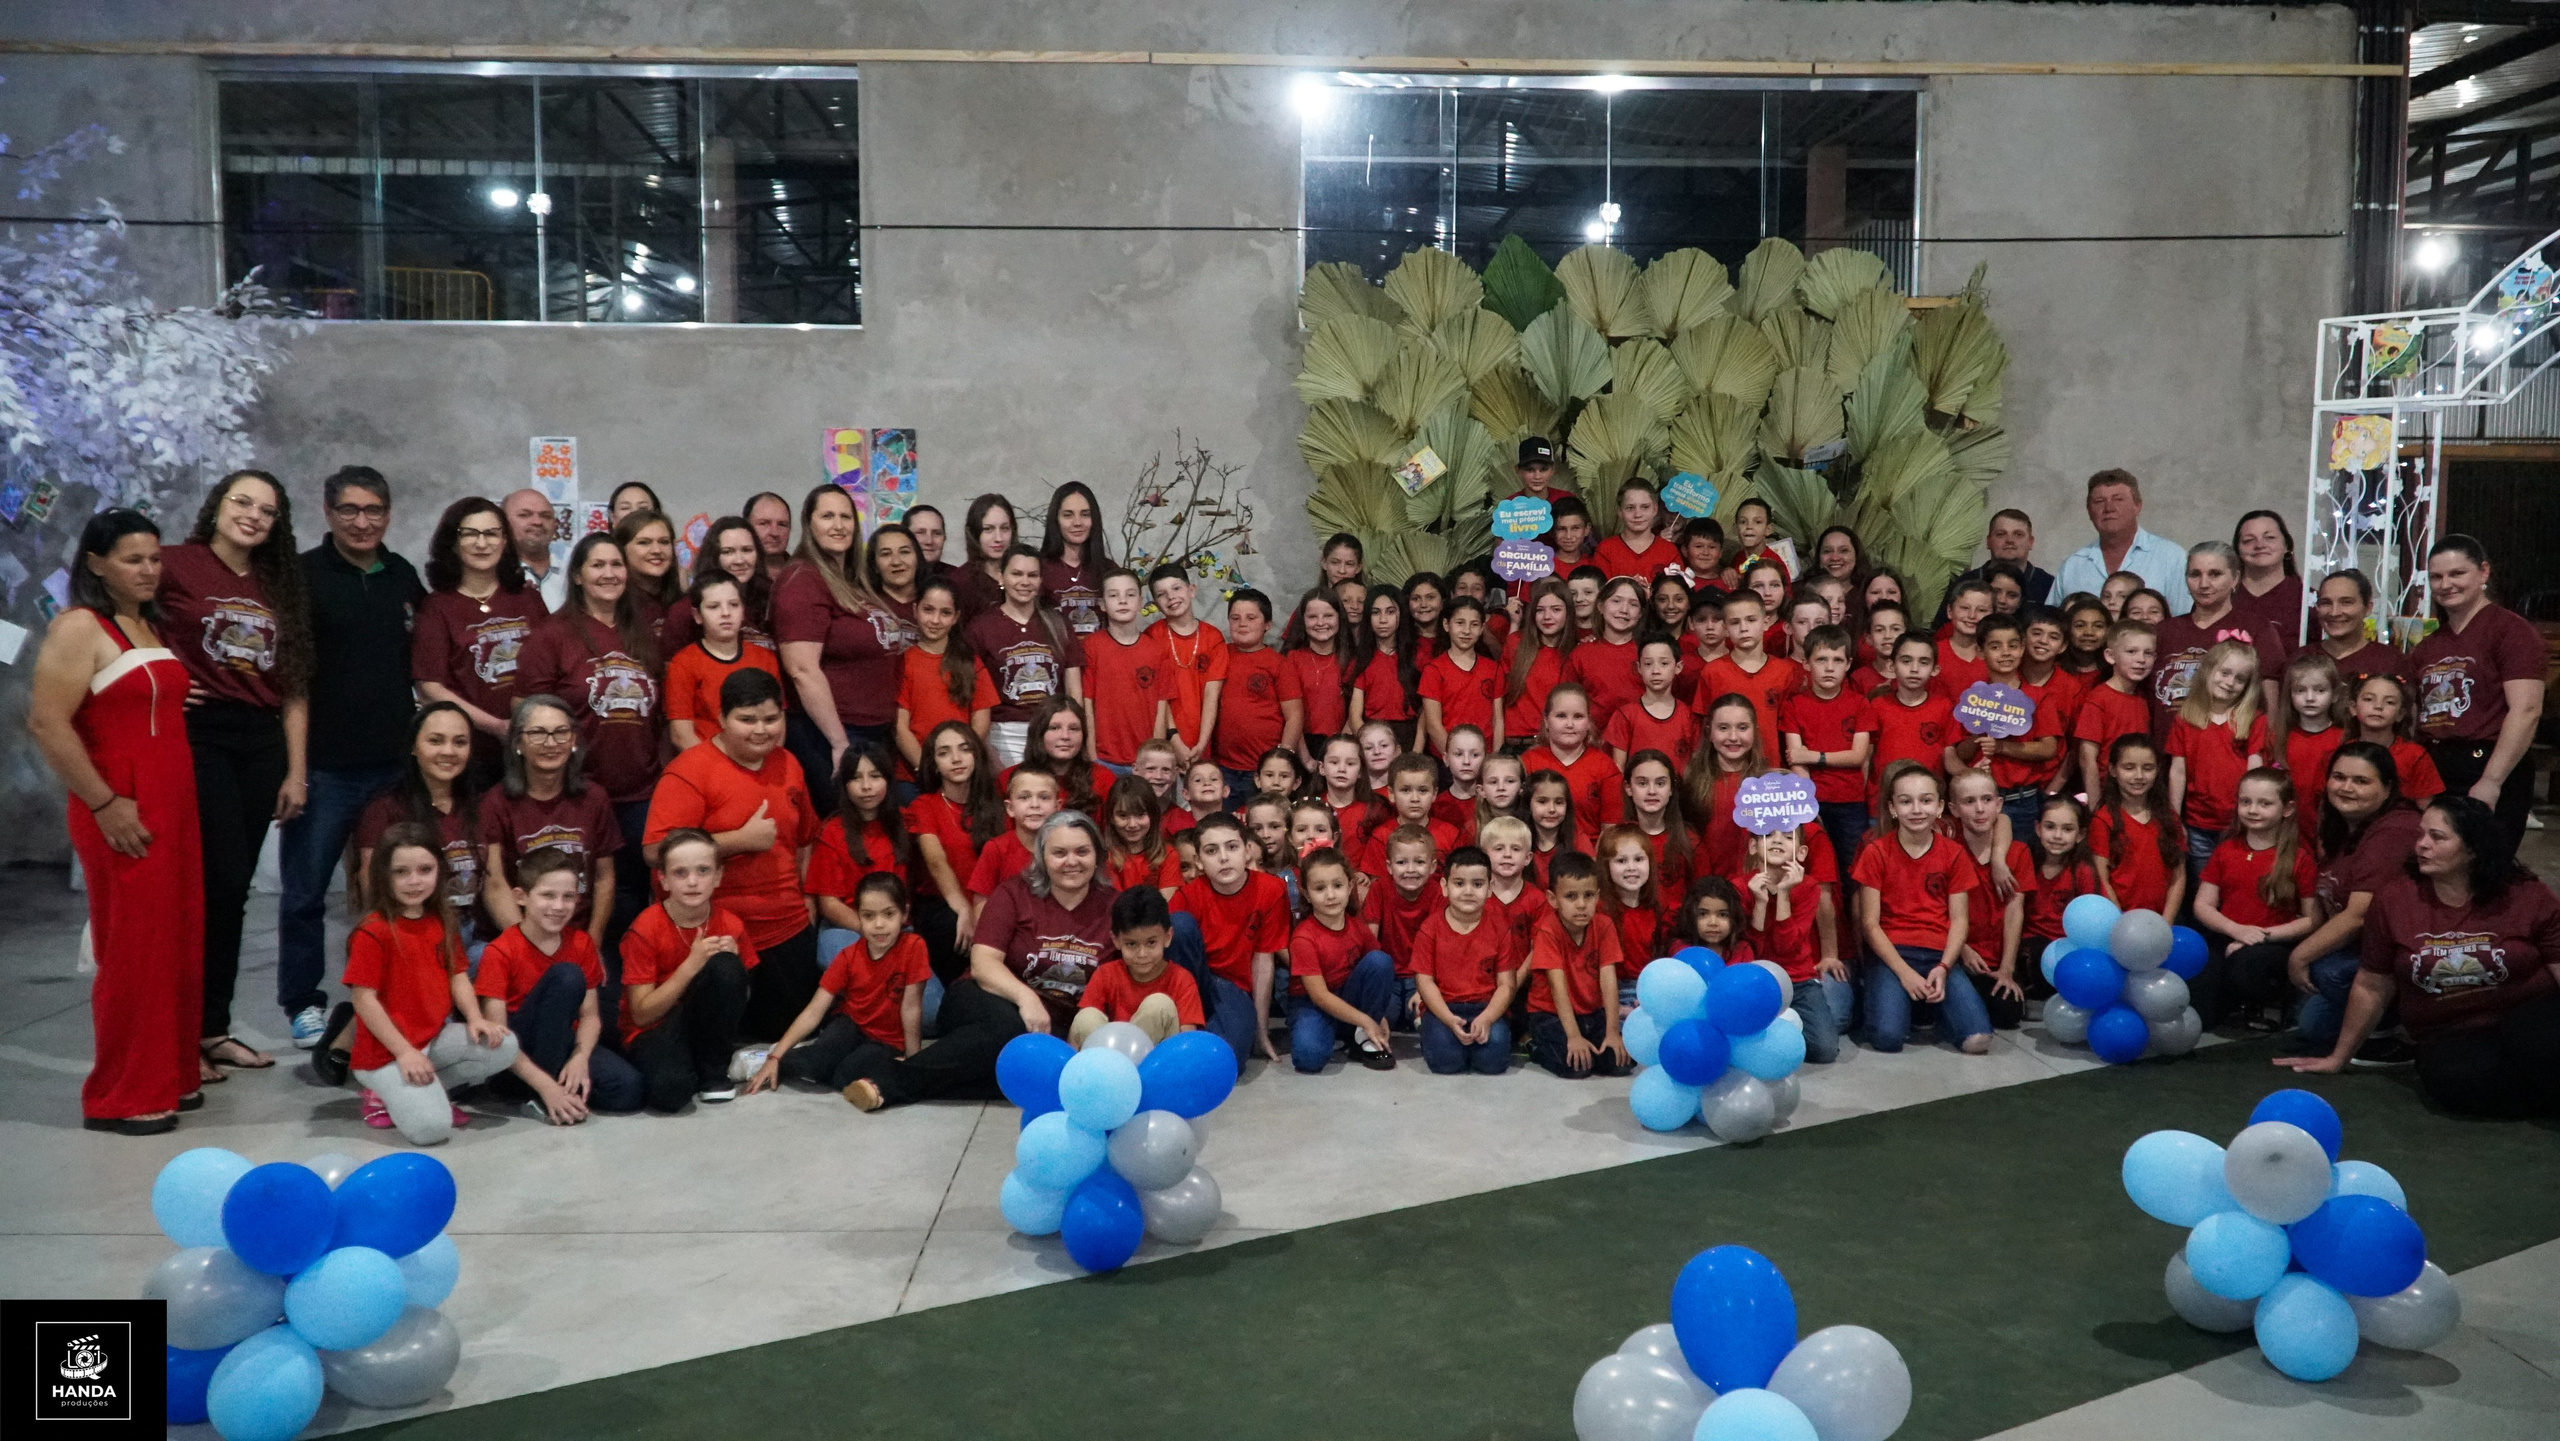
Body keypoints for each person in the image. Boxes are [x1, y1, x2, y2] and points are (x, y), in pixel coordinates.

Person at [28, 509, 204, 1134]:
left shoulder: (143, 625)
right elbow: (48, 723)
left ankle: (173, 1073)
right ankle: (122, 1094)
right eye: (134, 559)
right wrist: (104, 803)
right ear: (97, 563)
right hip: (123, 804)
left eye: (155, 558)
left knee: (176, 944)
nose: (149, 570)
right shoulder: (80, 625)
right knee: (134, 951)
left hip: (172, 802)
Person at [158, 470, 312, 1081]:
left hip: (261, 738)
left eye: (266, 511)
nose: (252, 516)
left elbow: (295, 684)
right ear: (217, 505)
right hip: (199, 735)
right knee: (207, 883)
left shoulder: (281, 582)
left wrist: (296, 770)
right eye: (242, 502)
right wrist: (162, 673)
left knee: (233, 888)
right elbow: (110, 620)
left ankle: (212, 1029)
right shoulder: (175, 564)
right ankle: (179, 1033)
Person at [273, 465, 427, 1051]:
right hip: (325, 767)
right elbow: (293, 681)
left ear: (388, 514)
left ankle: (390, 992)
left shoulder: (402, 575)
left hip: (392, 767)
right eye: (351, 511)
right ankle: (303, 1003)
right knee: (306, 891)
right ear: (329, 512)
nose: (363, 522)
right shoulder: (306, 577)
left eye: (374, 511)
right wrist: (295, 770)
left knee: (392, 888)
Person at [2277, 795, 2560, 1112]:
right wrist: (2338, 1057)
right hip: (2452, 1033)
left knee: (2539, 1042)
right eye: (2421, 834)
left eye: (2437, 837)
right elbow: (2372, 984)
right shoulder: (2396, 899)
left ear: (2473, 848)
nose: (2421, 845)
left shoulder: (2526, 894)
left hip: (2528, 1015)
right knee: (2455, 1081)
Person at [847, 810, 1118, 1111]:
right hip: (984, 997)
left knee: (1035, 1074)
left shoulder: (1114, 906)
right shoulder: (1014, 893)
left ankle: (934, 1081)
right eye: (1059, 852)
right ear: (1042, 856)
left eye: (1082, 851)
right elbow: (983, 962)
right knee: (1010, 1028)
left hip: (1056, 1023)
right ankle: (890, 1081)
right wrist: (1026, 998)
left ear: (1097, 856)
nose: (1071, 861)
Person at [642, 668, 822, 1042]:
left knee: (786, 1036)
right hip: (712, 931)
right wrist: (738, 840)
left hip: (786, 925)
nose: (761, 730)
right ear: (721, 719)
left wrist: (807, 902)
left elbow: (806, 839)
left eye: (771, 719)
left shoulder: (788, 763)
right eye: (747, 719)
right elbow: (654, 850)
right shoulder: (689, 771)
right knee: (711, 1037)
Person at [516, 533, 663, 959]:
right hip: (577, 791)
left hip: (641, 792)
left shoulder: (641, 634)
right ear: (577, 575)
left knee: (636, 900)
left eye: (616, 565)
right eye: (597, 565)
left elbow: (659, 717)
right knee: (586, 901)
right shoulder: (552, 636)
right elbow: (525, 712)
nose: (609, 574)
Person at [344, 824, 518, 1143]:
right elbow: (364, 1000)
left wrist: (477, 1018)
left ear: (440, 870)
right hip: (386, 1052)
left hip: (431, 1040)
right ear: (384, 875)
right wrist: (404, 1053)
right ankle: (379, 1092)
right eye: (401, 872)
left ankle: (428, 1091)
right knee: (432, 1130)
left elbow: (457, 975)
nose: (414, 881)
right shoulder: (373, 932)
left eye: (425, 870)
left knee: (503, 1044)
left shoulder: (440, 919)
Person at [471, 848, 645, 1122]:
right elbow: (499, 1037)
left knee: (628, 1090)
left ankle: (562, 1092)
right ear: (521, 897)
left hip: (563, 1041)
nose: (558, 906)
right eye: (547, 895)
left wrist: (580, 1057)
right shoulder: (500, 951)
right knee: (566, 975)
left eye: (568, 897)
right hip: (515, 1056)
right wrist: (546, 1086)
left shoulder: (580, 943)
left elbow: (590, 1016)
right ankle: (540, 1092)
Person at [2408, 534, 2546, 858]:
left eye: (2457, 574)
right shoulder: (2428, 646)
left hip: (2487, 764)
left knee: (2482, 869)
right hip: (2436, 767)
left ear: (2483, 572)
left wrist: (2492, 781)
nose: (2446, 584)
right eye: (2437, 577)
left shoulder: (2511, 631)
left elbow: (2526, 710)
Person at [2283, 742, 2421, 1055]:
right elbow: (2326, 905)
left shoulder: (2395, 830)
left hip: (2400, 953)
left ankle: (2397, 1026)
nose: (2346, 788)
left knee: (2325, 970)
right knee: (2311, 1025)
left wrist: (2300, 956)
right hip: (2362, 949)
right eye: (2339, 777)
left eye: (2361, 781)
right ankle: (2370, 1023)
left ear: (2387, 790)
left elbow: (2359, 914)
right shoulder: (2341, 827)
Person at [774, 485, 907, 801]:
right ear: (810, 524)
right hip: (830, 734)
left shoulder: (848, 579)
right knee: (843, 832)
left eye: (846, 516)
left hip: (872, 731)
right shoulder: (802, 581)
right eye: (828, 516)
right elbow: (802, 670)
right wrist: (839, 743)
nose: (838, 525)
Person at [746, 873, 930, 1101]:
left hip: (886, 1041)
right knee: (816, 1062)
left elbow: (911, 1007)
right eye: (869, 916)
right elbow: (814, 1011)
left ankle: (823, 1061)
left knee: (844, 1076)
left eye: (889, 914)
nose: (879, 924)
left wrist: (912, 1061)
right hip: (851, 1025)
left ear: (905, 913)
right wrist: (775, 1058)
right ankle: (767, 1057)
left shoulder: (914, 947)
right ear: (859, 918)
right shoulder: (848, 956)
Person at [1852, 763, 1990, 1055]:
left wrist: (1944, 967)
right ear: (1892, 808)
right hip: (1893, 954)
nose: (1917, 809)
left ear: (1940, 807)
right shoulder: (1875, 852)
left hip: (1940, 954)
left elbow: (1959, 920)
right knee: (1888, 1040)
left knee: (1977, 1041)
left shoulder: (1953, 854)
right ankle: (1894, 999)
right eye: (1906, 801)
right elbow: (1870, 924)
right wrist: (1904, 973)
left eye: (1926, 800)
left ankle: (1935, 1008)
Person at [414, 497, 548, 786]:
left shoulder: (528, 598)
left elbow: (550, 665)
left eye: (491, 533)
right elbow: (429, 686)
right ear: (453, 542)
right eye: (470, 534)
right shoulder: (437, 607)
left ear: (504, 541)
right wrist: (497, 727)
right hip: (467, 754)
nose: (482, 543)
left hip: (532, 749)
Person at [617, 829, 754, 1111]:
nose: (693, 882)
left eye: (703, 871)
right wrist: (691, 965)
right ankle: (690, 1064)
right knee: (671, 1092)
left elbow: (745, 999)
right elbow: (641, 1015)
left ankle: (713, 1071)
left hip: (701, 1024)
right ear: (663, 880)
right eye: (680, 873)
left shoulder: (731, 924)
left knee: (726, 965)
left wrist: (735, 970)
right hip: (652, 1029)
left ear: (718, 877)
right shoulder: (645, 929)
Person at [476, 696, 618, 945]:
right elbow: (495, 884)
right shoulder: (495, 802)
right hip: (519, 936)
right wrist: (530, 945)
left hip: (578, 937)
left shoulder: (595, 798)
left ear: (573, 740)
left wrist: (592, 943)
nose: (551, 743)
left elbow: (603, 878)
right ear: (518, 742)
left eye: (561, 732)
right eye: (538, 733)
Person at [2194, 768, 2323, 1031]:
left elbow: (2312, 919)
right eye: (2246, 802)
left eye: (2265, 803)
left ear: (2286, 809)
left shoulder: (2299, 858)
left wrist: (2259, 936)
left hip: (2273, 942)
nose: (2253, 810)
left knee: (2246, 967)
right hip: (2228, 935)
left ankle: (2275, 1002)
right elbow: (2202, 904)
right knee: (2201, 1008)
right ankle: (2234, 1004)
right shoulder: (2226, 850)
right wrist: (2236, 931)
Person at [351, 704, 485, 951]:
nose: (448, 751)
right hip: (415, 935)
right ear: (414, 747)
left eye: (460, 742)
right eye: (435, 741)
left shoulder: (483, 805)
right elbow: (371, 882)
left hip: (476, 935)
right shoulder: (385, 809)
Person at [1172, 813, 1288, 1064]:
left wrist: (1261, 1031)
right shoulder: (1186, 896)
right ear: (1199, 861)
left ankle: (1205, 1038)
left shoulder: (1272, 890)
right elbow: (1170, 963)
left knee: (1230, 1058)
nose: (1223, 858)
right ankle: (1181, 1030)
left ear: (1247, 852)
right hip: (1190, 980)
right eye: (1211, 851)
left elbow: (1263, 960)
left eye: (1232, 847)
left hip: (1232, 987)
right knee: (1179, 925)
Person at [906, 720, 1003, 983]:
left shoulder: (996, 802)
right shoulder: (924, 805)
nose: (956, 759)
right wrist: (961, 905)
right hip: (943, 905)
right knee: (951, 926)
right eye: (944, 752)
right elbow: (935, 860)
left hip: (990, 903)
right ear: (934, 764)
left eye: (964, 749)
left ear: (976, 755)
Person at [972, 545, 1084, 770]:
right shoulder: (980, 627)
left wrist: (1074, 734)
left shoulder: (1059, 624)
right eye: (1017, 574)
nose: (1025, 581)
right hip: (1003, 735)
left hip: (1053, 732)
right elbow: (975, 698)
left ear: (1041, 580)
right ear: (1002, 577)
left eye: (1032, 575)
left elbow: (1074, 692)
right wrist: (984, 748)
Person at [2165, 640, 2269, 880]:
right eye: (2225, 673)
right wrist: (2174, 817)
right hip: (2198, 824)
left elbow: (2256, 770)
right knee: (2200, 886)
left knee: (2235, 884)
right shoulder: (2186, 719)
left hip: (2239, 823)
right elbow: (2177, 772)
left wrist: (2250, 814)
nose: (2230, 682)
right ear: (2208, 670)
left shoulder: (2254, 720)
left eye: (2240, 678)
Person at [1287, 847, 1398, 1071]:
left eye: (1337, 886)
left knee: (1380, 961)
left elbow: (1376, 972)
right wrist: (1367, 1020)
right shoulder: (1303, 937)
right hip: (1313, 1005)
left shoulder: (1357, 925)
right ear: (1307, 894)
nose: (1330, 895)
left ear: (1349, 887)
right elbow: (1319, 997)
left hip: (1348, 996)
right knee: (1308, 1057)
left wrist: (1378, 1015)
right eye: (1320, 888)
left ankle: (1361, 1038)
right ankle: (1354, 1028)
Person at [2150, 541, 2286, 721]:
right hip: (2165, 745)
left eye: (2215, 574)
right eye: (2195, 574)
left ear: (2235, 578)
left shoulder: (2257, 627)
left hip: (2230, 744)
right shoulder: (2165, 630)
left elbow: (2271, 703)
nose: (2204, 584)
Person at [1411, 846, 1516, 1074]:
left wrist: (1487, 1018)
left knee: (1493, 1063)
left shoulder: (1500, 927)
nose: (1468, 891)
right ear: (1444, 886)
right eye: (1459, 884)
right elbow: (1425, 982)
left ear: (1490, 888)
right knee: (1446, 1063)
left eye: (1478, 884)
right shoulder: (1430, 929)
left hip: (1486, 1008)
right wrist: (1449, 1019)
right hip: (1443, 1008)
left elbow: (1506, 985)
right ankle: (1431, 1031)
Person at [1524, 852, 1629, 1078]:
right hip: (1550, 1014)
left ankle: (1593, 1040)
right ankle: (1535, 1045)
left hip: (1591, 1013)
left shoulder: (1604, 926)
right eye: (1571, 896)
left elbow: (1609, 980)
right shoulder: (1548, 930)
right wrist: (1573, 1037)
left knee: (1619, 1063)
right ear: (1553, 899)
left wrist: (1612, 1032)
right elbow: (1557, 988)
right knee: (1577, 1067)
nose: (1581, 905)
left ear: (1597, 896)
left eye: (1588, 895)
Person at [1785, 624, 1878, 870]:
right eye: (1821, 659)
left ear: (1848, 664)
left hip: (1850, 802)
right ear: (1806, 663)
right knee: (1814, 869)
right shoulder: (1794, 705)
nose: (1829, 667)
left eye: (1837, 660)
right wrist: (1809, 803)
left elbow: (1857, 756)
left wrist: (1814, 756)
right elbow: (1796, 758)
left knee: (1852, 868)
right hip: (1811, 801)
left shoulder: (1860, 704)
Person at [1946, 770, 2031, 1031]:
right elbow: (1939, 909)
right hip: (1957, 956)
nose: (1980, 809)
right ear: (1954, 809)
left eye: (1986, 799)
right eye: (1969, 802)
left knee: (2007, 1014)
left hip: (1996, 958)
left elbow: (2014, 912)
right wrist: (1963, 950)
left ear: (1999, 805)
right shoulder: (1946, 850)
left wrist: (2007, 969)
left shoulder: (2017, 853)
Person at [665, 573, 784, 751]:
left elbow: (777, 722)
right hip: (707, 766)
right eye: (714, 607)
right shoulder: (683, 663)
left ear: (743, 610)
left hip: (759, 762)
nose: (726, 613)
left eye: (734, 605)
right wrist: (723, 772)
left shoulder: (765, 658)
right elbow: (681, 734)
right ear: (697, 615)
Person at [1071, 886, 1204, 1044]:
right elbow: (1080, 1029)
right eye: (1132, 944)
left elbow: (1187, 1043)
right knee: (1087, 1016)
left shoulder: (1182, 980)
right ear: (1116, 940)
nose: (1142, 954)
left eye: (1151, 943)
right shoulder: (1105, 974)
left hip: (1158, 1064)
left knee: (1159, 1004)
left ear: (1168, 937)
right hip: (1109, 1060)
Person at [2051, 469, 2191, 613]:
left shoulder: (2171, 558)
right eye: (2099, 502)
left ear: (2137, 506)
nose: (2109, 508)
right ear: (2089, 511)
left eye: (2118, 499)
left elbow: (2183, 622)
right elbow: (2052, 625)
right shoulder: (2073, 566)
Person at [894, 576, 996, 772]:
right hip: (914, 771)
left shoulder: (969, 661)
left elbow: (981, 722)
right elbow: (900, 727)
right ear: (915, 610)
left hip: (961, 769)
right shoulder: (903, 662)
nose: (935, 620)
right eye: (928, 610)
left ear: (956, 617)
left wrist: (960, 761)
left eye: (945, 613)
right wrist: (927, 768)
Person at [1210, 588, 1300, 800]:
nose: (1242, 624)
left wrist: (1281, 761)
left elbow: (1294, 716)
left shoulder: (1279, 664)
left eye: (1251, 618)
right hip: (1223, 768)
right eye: (1235, 618)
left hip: (1263, 772)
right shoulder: (1221, 654)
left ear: (1267, 624)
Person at [1694, 591, 1800, 767]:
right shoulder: (1713, 672)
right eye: (1735, 622)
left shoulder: (1784, 671)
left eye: (1751, 620)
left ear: (1765, 622)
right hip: (1723, 770)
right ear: (1726, 629)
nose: (1743, 628)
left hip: (1770, 769)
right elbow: (1701, 728)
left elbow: (1791, 729)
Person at [2089, 734, 2186, 917]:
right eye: (2129, 768)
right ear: (2113, 770)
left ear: (2157, 770)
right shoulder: (2103, 820)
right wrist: (2123, 923)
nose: (2139, 776)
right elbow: (2102, 880)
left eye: (2147, 768)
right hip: (2120, 922)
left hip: (2161, 922)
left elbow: (2178, 877)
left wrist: (2166, 922)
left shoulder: (2169, 818)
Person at [663, 515, 775, 656]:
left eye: (747, 550)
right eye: (728, 552)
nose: (739, 560)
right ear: (713, 556)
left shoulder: (771, 597)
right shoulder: (685, 611)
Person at [2071, 621, 2157, 799]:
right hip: (2108, 795)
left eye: (2148, 653)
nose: (2141, 659)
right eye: (2131, 652)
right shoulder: (2098, 698)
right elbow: (2087, 759)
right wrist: (2095, 807)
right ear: (2110, 656)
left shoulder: (2142, 698)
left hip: (2138, 794)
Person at [1935, 509, 2056, 627]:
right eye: (2001, 534)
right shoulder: (1965, 582)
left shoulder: (2048, 585)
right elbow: (1941, 629)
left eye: (2018, 534)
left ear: (2031, 542)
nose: (2009, 540)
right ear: (1988, 541)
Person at [1280, 587, 1354, 764]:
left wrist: (1338, 751)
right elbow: (1291, 716)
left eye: (1328, 616)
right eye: (1312, 617)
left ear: (1339, 618)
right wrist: (1306, 759)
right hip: (1301, 747)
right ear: (1303, 620)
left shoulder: (1352, 660)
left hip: (1340, 747)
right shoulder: (1292, 659)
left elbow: (1355, 714)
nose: (1321, 622)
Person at [2349, 674, 2446, 802]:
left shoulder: (2415, 756)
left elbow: (2426, 810)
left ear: (2400, 714)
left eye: (2389, 702)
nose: (2378, 706)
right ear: (2353, 708)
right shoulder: (2342, 753)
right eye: (2368, 699)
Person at [2309, 569, 2407, 694]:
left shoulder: (2390, 661)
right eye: (2326, 603)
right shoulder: (2302, 659)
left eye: (2346, 602)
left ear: (2368, 608)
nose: (2334, 612)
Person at [1038, 482, 1112, 635]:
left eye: (1085, 514)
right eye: (1068, 515)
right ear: (1056, 519)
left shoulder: (1109, 570)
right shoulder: (1038, 569)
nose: (1077, 522)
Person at [2232, 510, 2303, 648]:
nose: (2259, 545)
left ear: (2287, 546)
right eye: (2248, 540)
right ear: (2238, 550)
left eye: (2270, 537)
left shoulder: (2307, 599)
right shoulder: (2222, 597)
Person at [501, 487, 569, 611]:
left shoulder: (573, 574)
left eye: (546, 516)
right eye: (524, 515)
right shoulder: (492, 577)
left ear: (555, 525)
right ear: (503, 523)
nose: (537, 522)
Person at [613, 509, 682, 627]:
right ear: (621, 549)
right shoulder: (611, 606)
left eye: (664, 542)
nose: (657, 550)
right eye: (644, 542)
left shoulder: (684, 604)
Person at [954, 494, 1018, 619]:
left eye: (1005, 528)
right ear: (974, 533)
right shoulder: (961, 582)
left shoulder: (1025, 575)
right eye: (988, 529)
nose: (998, 538)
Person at [745, 491, 797, 583]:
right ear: (746, 527)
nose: (774, 533)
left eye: (782, 525)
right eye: (764, 523)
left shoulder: (804, 574)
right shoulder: (736, 576)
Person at [904, 503, 952, 585]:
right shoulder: (890, 579)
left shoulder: (958, 580)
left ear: (944, 538)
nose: (929, 541)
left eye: (937, 533)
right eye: (920, 532)